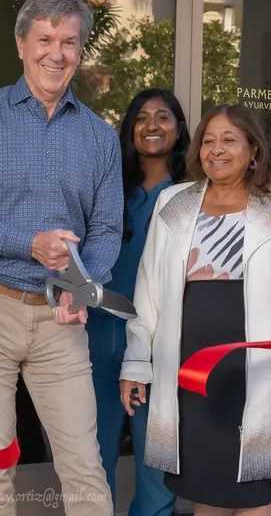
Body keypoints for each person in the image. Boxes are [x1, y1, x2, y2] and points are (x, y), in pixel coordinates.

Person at [0, 0, 121, 516]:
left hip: (60, 318)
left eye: (69, 41)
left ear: (81, 51)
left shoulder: (100, 138)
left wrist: (83, 287)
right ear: (21, 43)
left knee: (84, 463)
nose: (55, 53)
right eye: (45, 38)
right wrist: (26, 244)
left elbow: (106, 231)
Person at [121, 104, 271, 516]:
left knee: (253, 496)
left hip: (255, 373)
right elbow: (148, 291)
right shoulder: (173, 202)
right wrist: (135, 361)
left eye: (229, 140)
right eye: (209, 141)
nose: (216, 149)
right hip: (189, 375)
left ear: (254, 149)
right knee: (207, 493)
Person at [88, 89, 186, 516]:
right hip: (95, 337)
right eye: (141, 118)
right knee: (91, 460)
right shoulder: (109, 188)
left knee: (155, 465)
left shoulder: (193, 194)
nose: (152, 126)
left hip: (160, 344)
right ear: (128, 130)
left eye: (163, 117)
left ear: (179, 128)